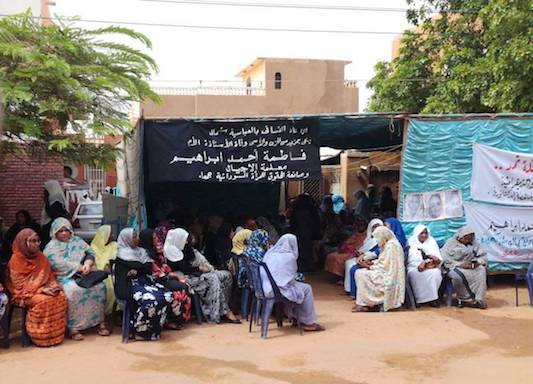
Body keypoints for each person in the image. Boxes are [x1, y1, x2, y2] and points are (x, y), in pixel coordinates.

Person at [44, 218, 109, 340]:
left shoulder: (77, 241)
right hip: (64, 277)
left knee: (100, 287)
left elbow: (90, 252)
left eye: (66, 230)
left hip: (84, 274)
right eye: (60, 231)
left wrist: (88, 263)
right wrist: (78, 267)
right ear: (54, 232)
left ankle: (99, 322)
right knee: (72, 291)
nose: (64, 233)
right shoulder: (50, 247)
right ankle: (73, 328)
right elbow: (56, 263)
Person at [6, 229, 68, 347]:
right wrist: (41, 290)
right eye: (32, 241)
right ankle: (39, 337)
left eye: (38, 241)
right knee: (44, 301)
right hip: (22, 294)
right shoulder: (16, 259)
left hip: (42, 289)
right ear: (23, 242)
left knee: (61, 296)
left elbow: (49, 276)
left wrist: (52, 287)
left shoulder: (41, 257)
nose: (37, 244)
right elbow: (20, 286)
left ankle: (55, 337)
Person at [164, 228, 240, 324]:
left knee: (215, 277)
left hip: (191, 275)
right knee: (213, 278)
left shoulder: (185, 249)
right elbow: (183, 268)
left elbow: (193, 260)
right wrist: (199, 269)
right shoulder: (170, 251)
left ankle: (222, 311)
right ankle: (223, 312)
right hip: (181, 277)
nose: (187, 242)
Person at [115, 228, 172, 340]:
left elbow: (147, 266)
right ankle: (137, 328)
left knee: (167, 295)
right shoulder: (121, 254)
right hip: (130, 286)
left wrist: (138, 269)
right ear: (127, 239)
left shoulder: (140, 251)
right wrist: (140, 267)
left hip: (144, 283)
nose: (138, 239)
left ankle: (153, 329)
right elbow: (140, 265)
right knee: (151, 300)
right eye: (134, 237)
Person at [262, 234, 324, 332]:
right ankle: (309, 323)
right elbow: (290, 278)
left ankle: (296, 317)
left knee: (297, 288)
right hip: (278, 289)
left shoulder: (270, 253)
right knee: (306, 288)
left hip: (265, 288)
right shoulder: (288, 257)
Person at [140, 228, 191, 327]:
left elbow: (164, 267)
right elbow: (158, 273)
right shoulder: (145, 254)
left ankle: (177, 318)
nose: (157, 240)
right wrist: (175, 276)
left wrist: (173, 275)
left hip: (162, 278)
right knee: (182, 287)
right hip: (152, 281)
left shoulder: (156, 251)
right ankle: (174, 319)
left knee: (184, 284)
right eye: (154, 238)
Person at [353, 226, 405, 312]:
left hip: (389, 275)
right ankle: (363, 303)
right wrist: (373, 263)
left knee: (361, 274)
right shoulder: (388, 244)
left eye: (378, 238)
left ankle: (364, 303)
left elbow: (386, 266)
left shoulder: (392, 246)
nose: (377, 240)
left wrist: (368, 266)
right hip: (384, 271)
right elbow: (384, 261)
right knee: (359, 272)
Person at [442, 226, 488, 309]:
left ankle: (478, 299)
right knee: (457, 277)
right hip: (454, 266)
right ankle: (463, 299)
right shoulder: (450, 243)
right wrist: (460, 264)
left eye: (470, 239)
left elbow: (483, 256)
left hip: (470, 266)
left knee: (481, 270)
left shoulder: (475, 243)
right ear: (461, 237)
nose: (468, 241)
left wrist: (477, 262)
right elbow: (444, 258)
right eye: (466, 239)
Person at [344, 219, 383, 296]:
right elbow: (364, 249)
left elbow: (375, 253)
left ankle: (355, 292)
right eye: (374, 227)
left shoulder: (381, 239)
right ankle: (349, 289)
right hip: (364, 257)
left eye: (378, 226)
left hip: (372, 260)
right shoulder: (368, 238)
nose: (376, 229)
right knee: (348, 263)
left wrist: (363, 257)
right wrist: (360, 254)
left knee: (353, 267)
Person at [407, 225, 443, 306]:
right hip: (414, 267)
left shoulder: (431, 241)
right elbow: (410, 260)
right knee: (416, 275)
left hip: (430, 267)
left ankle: (432, 299)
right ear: (417, 233)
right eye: (421, 233)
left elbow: (438, 258)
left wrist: (429, 260)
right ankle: (419, 299)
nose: (424, 235)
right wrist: (420, 264)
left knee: (436, 273)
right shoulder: (411, 242)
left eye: (426, 233)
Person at [290, 194, 321, 272]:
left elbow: (292, 222)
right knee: (308, 249)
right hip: (308, 233)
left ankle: (300, 266)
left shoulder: (296, 210)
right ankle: (309, 266)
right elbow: (317, 221)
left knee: (299, 249)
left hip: (298, 232)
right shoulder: (312, 209)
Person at [91, 225, 118, 315]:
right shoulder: (93, 247)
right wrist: (102, 268)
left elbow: (115, 258)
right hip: (98, 273)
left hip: (111, 271)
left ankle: (114, 312)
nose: (113, 235)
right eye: (110, 234)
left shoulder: (114, 245)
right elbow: (94, 262)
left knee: (113, 284)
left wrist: (108, 266)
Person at [41, 180, 70, 247]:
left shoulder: (55, 197)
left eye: (46, 189)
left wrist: (47, 203)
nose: (44, 191)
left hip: (52, 226)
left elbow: (52, 214)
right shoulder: (53, 197)